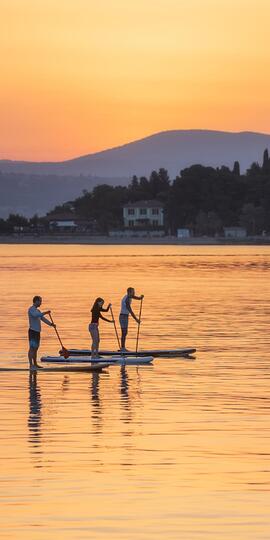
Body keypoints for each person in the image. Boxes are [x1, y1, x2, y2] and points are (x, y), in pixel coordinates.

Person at [28, 296, 55, 370]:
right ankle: (31, 365)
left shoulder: (38, 311)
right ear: (36, 301)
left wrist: (51, 324)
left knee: (36, 348)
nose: (41, 303)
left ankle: (35, 364)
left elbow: (43, 319)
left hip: (37, 332)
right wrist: (45, 312)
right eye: (40, 301)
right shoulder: (31, 309)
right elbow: (36, 315)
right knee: (32, 348)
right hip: (32, 331)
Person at [119, 287, 144, 351]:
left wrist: (140, 298)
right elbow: (130, 311)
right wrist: (136, 319)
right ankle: (122, 348)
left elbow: (135, 297)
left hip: (125, 316)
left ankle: (122, 347)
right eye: (133, 292)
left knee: (125, 332)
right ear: (129, 292)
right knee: (124, 332)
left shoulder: (129, 296)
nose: (134, 293)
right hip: (123, 317)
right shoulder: (127, 299)